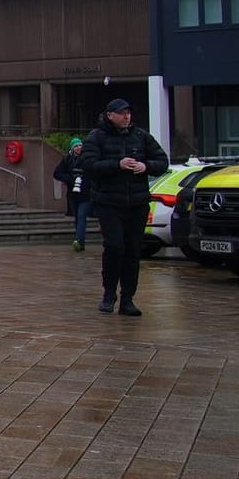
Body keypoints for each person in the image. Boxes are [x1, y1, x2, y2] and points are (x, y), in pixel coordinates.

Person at [80, 98, 167, 317]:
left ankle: (128, 298)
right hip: (108, 202)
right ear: (110, 115)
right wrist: (117, 165)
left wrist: (146, 166)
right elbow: (88, 165)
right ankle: (109, 294)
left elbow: (162, 161)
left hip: (137, 203)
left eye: (128, 113)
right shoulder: (96, 137)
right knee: (114, 246)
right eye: (122, 113)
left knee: (132, 251)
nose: (127, 117)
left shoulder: (141, 136)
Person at [53, 136, 91, 252]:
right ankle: (79, 241)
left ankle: (79, 241)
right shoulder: (67, 159)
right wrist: (70, 179)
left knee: (81, 216)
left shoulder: (87, 158)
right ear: (72, 148)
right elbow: (57, 173)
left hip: (85, 193)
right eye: (76, 146)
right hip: (73, 194)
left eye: (80, 145)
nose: (79, 148)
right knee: (77, 218)